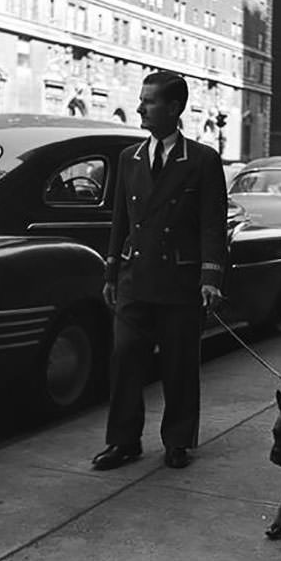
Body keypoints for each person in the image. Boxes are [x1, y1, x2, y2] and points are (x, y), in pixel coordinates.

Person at [92, 71, 228, 470]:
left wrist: (210, 279)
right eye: (141, 100)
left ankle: (178, 441)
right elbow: (120, 220)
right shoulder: (129, 158)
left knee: (179, 365)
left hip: (179, 282)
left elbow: (212, 224)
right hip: (135, 279)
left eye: (148, 102)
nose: (139, 108)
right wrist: (112, 273)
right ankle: (123, 442)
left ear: (174, 108)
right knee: (124, 361)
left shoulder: (201, 160)